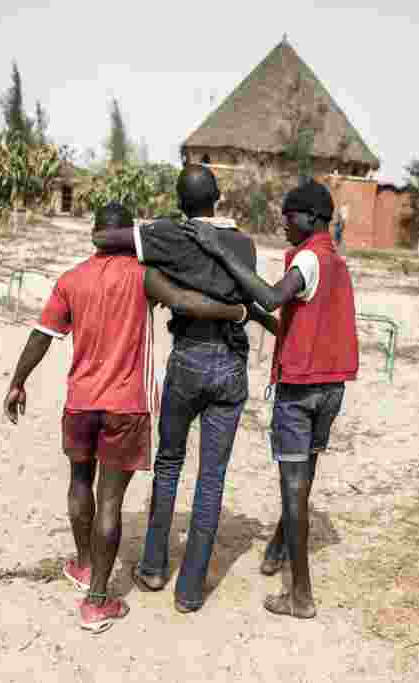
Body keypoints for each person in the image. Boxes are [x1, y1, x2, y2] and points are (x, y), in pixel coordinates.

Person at [3, 202, 250, 633]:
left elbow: (42, 335)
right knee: (111, 500)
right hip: (125, 405)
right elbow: (186, 301)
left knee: (80, 483)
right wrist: (237, 312)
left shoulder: (71, 279)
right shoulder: (144, 275)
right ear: (129, 236)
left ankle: (83, 566)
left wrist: (17, 382)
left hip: (80, 402)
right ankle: (98, 600)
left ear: (97, 234)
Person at [181, 179, 359, 619]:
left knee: (293, 487)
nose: (283, 222)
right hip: (331, 387)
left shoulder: (309, 259)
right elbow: (299, 317)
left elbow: (271, 296)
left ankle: (299, 596)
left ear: (313, 219)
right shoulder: (335, 261)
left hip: (300, 392)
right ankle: (279, 545)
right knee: (304, 476)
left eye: (290, 215)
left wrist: (218, 251)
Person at [91, 164, 260, 613]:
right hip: (231, 361)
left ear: (182, 202)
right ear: (218, 197)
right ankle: (189, 591)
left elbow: (105, 239)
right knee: (212, 477)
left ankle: (151, 567)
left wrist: (159, 242)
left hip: (188, 356)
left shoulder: (173, 235)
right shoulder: (245, 243)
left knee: (168, 463)